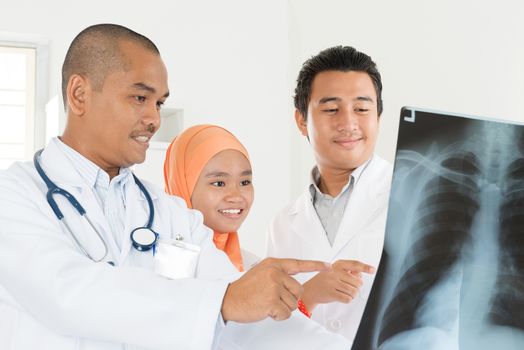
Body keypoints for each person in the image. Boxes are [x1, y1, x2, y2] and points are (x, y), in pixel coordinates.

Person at [0, 24, 359, 350]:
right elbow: (67, 293)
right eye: (140, 98)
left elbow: (248, 320)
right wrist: (222, 301)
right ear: (79, 94)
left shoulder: (168, 214)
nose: (154, 118)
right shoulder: (16, 195)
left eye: (159, 103)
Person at [266, 45, 393, 344]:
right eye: (331, 109)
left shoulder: (407, 195)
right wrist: (309, 294)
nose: (348, 123)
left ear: (378, 116)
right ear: (301, 121)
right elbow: (271, 327)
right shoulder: (282, 224)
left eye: (362, 109)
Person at [163, 124, 259, 272]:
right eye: (219, 183)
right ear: (182, 185)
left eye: (244, 182)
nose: (236, 196)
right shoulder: (161, 264)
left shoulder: (254, 268)